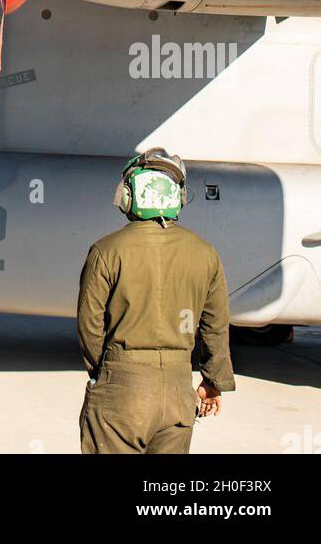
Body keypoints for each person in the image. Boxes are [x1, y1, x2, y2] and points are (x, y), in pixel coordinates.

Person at [77, 148, 235, 455]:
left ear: (129, 196)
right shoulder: (206, 254)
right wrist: (213, 381)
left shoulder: (106, 251)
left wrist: (106, 372)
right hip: (178, 393)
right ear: (177, 197)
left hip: (120, 392)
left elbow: (89, 325)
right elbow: (215, 327)